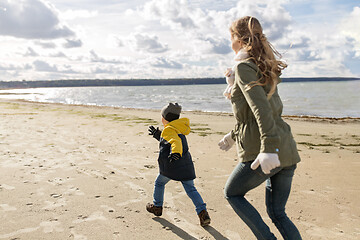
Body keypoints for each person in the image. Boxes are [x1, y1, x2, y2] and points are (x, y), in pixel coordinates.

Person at [218, 16, 302, 239]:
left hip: (264, 151)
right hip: (287, 150)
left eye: (231, 38)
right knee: (278, 213)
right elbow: (258, 111)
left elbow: (261, 110)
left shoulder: (244, 67)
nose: (230, 43)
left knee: (232, 193)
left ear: (238, 39)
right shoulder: (261, 66)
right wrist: (233, 135)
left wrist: (269, 148)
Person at [146, 102, 211, 227]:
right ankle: (203, 213)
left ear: (164, 118)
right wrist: (157, 135)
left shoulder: (169, 129)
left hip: (172, 166)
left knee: (159, 183)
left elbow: (175, 142)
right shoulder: (178, 127)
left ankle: (157, 206)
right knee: (191, 189)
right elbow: (170, 140)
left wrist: (175, 153)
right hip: (186, 166)